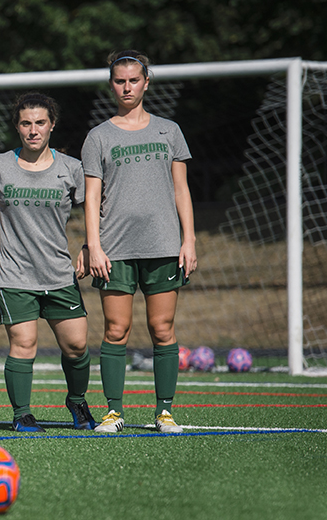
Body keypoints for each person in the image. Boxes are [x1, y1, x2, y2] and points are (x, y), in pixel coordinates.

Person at [81, 50, 197, 434]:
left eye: (134, 80)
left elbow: (181, 189)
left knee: (162, 328)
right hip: (114, 249)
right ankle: (113, 413)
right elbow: (92, 195)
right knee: (116, 330)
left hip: (164, 245)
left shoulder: (170, 130)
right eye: (119, 80)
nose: (126, 87)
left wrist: (189, 239)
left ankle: (164, 413)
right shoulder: (98, 136)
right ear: (111, 84)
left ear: (147, 82)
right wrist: (93, 245)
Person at [0, 93, 96, 433]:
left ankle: (76, 400)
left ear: (52, 125)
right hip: (14, 273)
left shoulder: (71, 168)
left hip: (58, 272)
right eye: (26, 123)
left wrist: (89, 246)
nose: (33, 130)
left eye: (40, 123)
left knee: (76, 345)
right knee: (24, 344)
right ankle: (22, 414)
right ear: (17, 127)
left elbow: (91, 211)